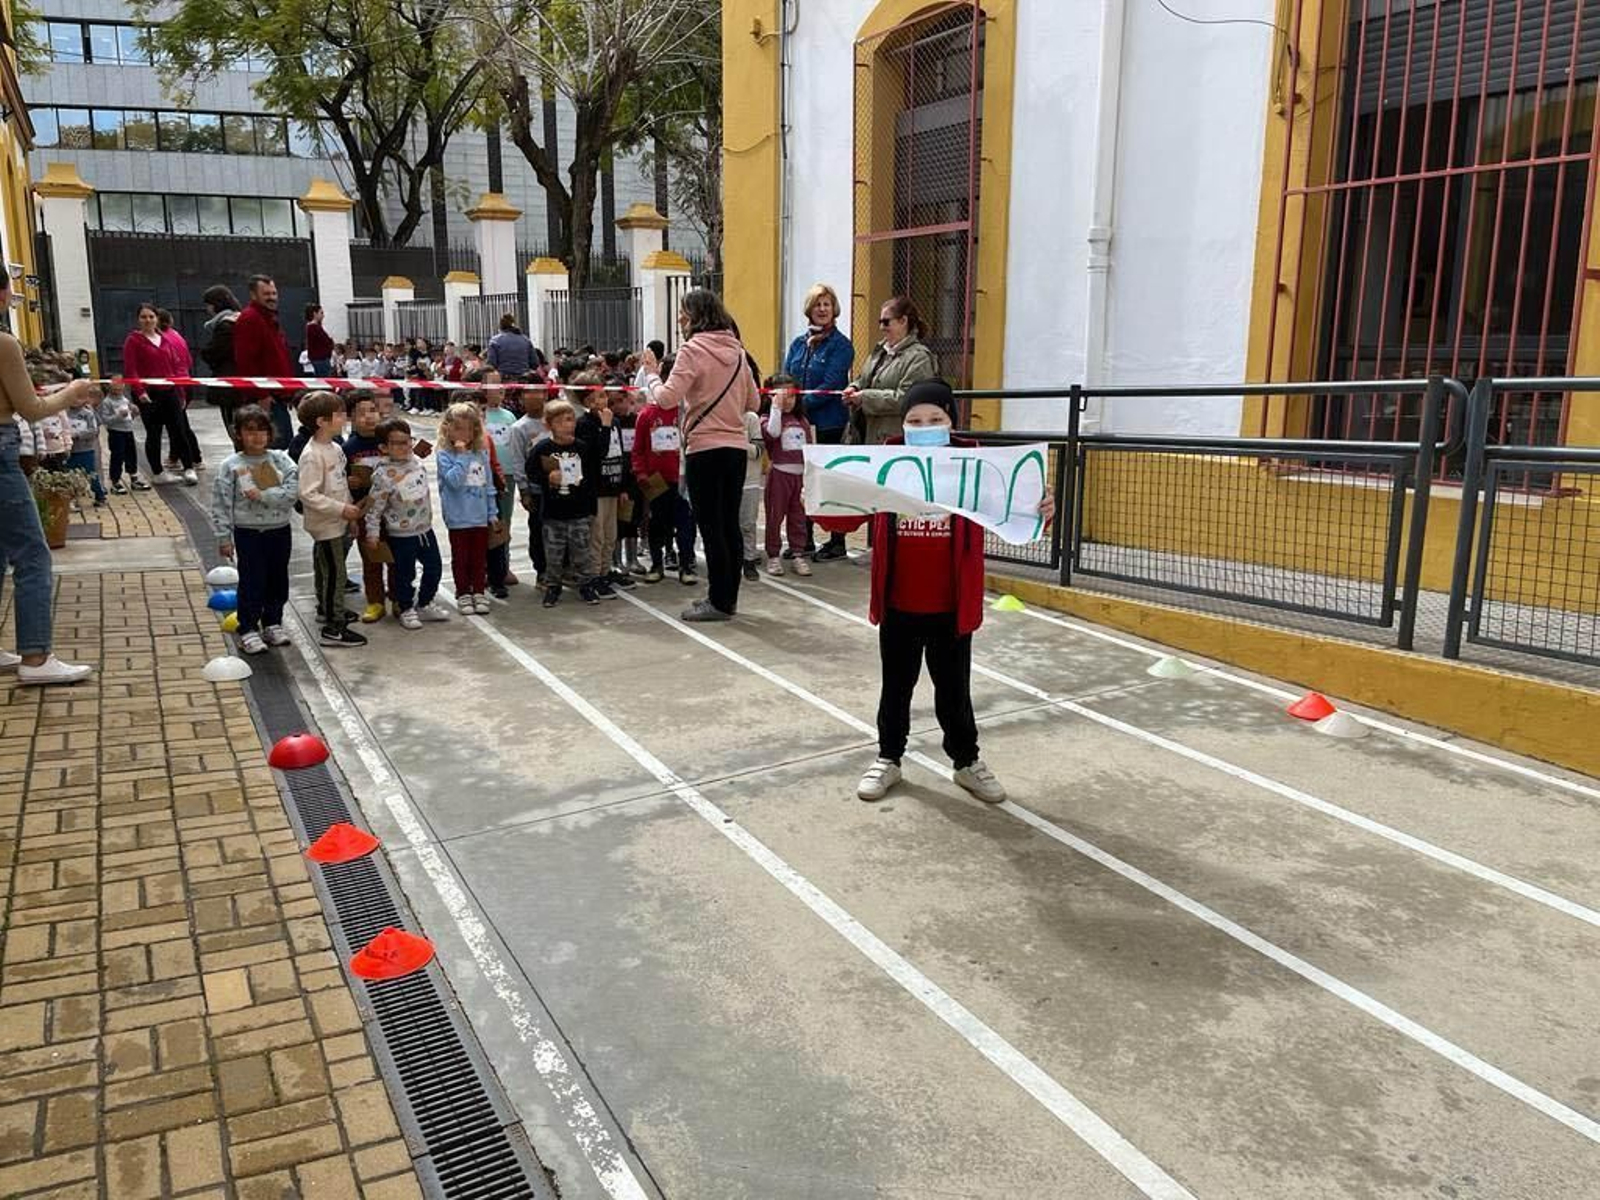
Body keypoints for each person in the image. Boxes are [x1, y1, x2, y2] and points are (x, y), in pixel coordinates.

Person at [816, 380, 1053, 806]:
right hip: (898, 603)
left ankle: (966, 762)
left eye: (935, 419)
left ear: (951, 422)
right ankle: (889, 757)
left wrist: (1040, 508)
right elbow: (840, 521)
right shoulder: (883, 465)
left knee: (954, 691)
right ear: (902, 425)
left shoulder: (976, 469)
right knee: (896, 687)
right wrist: (819, 495)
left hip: (951, 606)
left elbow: (1017, 513)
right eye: (914, 420)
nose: (924, 427)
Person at [0, 276, 101, 684]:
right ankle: (36, 657)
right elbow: (32, 407)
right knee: (33, 554)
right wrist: (72, 391)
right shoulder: (4, 343)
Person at [637, 290, 761, 621]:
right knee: (729, 526)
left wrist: (651, 373)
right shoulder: (737, 351)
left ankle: (718, 602)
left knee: (711, 527)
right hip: (735, 450)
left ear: (696, 317)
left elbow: (665, 398)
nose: (680, 319)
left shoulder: (692, 351)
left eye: (683, 313)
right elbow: (754, 403)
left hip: (704, 449)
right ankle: (727, 598)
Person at [211, 406, 298, 655]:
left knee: (277, 579)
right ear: (237, 434)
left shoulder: (280, 459)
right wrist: (223, 536)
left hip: (279, 530)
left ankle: (273, 622)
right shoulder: (231, 465)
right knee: (251, 581)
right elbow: (221, 502)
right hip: (248, 533)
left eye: (262, 430)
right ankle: (247, 628)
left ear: (270, 433)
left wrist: (263, 495)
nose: (257, 436)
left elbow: (292, 492)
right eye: (249, 431)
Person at [783, 284, 855, 560]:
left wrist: (799, 405)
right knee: (805, 483)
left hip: (828, 425)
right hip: (800, 425)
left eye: (827, 304)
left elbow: (831, 384)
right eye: (818, 304)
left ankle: (837, 542)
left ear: (834, 309)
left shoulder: (841, 345)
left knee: (829, 482)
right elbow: (789, 377)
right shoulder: (799, 344)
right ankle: (805, 540)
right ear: (809, 310)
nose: (822, 309)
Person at [365, 418, 450, 630]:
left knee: (434, 567)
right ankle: (405, 607)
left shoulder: (416, 463)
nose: (405, 447)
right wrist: (373, 532)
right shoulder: (383, 475)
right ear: (384, 447)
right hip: (401, 535)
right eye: (397, 443)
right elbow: (375, 508)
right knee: (405, 574)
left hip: (424, 529)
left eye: (407, 441)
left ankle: (425, 601)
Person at [297, 391, 366, 647]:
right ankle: (333, 627)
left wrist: (349, 515)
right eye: (338, 414)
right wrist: (341, 509)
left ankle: (329, 609)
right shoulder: (312, 455)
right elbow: (307, 494)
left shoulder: (335, 448)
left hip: (338, 521)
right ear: (321, 422)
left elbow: (340, 485)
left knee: (328, 569)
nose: (344, 417)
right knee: (335, 573)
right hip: (324, 524)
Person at [528, 397, 603, 607]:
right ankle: (553, 587)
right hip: (553, 513)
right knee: (553, 554)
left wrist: (591, 509)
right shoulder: (542, 448)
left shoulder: (582, 448)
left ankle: (586, 585)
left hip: (579, 512)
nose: (566, 425)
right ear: (548, 425)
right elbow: (531, 472)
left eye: (570, 420)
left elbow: (592, 478)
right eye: (560, 421)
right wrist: (547, 479)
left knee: (582, 552)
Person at [844, 294, 939, 448]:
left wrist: (865, 398)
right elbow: (863, 378)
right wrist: (854, 387)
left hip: (896, 439)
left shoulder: (919, 358)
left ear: (903, 321)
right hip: (868, 434)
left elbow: (907, 398)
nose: (881, 327)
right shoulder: (880, 351)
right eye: (880, 322)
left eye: (886, 322)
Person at [122, 303, 198, 485]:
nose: (148, 320)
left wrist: (181, 393)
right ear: (138, 320)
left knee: (179, 430)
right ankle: (157, 472)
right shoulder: (133, 341)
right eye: (143, 317)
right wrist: (140, 392)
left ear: (157, 319)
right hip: (148, 394)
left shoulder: (165, 339)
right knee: (154, 433)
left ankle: (189, 467)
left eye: (151, 316)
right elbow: (130, 370)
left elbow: (175, 367)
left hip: (170, 391)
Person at [437, 401, 500, 615]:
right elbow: (453, 482)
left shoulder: (481, 455)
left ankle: (479, 591)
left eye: (468, 428)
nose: (463, 433)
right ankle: (463, 592)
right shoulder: (444, 456)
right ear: (448, 429)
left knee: (478, 558)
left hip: (480, 517)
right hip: (458, 518)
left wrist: (492, 513)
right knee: (461, 558)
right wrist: (462, 455)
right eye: (457, 428)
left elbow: (489, 485)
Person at [574, 371, 632, 598]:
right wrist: (605, 427)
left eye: (603, 396)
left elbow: (621, 456)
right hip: (595, 489)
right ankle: (594, 576)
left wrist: (624, 486)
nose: (603, 401)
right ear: (587, 402)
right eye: (597, 397)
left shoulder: (615, 421)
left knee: (610, 534)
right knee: (596, 537)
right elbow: (596, 454)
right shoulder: (585, 424)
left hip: (613, 486)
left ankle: (605, 572)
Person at [232, 275, 297, 448]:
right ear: (253, 295)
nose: (272, 297)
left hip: (278, 394)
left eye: (274, 293)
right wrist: (261, 394)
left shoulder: (269, 318)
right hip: (267, 398)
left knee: (282, 447)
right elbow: (246, 360)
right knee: (275, 447)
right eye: (266, 293)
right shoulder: (250, 319)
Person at [341, 391, 389, 624]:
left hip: (393, 511)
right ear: (350, 418)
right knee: (371, 559)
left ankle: (400, 598)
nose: (369, 417)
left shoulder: (388, 440)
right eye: (361, 413)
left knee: (397, 557)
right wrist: (350, 483)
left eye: (373, 410)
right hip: (365, 511)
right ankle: (375, 601)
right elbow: (341, 486)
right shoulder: (348, 448)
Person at [761, 375, 812, 576]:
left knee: (798, 517)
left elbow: (809, 447)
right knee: (775, 517)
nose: (787, 401)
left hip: (799, 477)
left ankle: (798, 554)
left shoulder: (802, 421)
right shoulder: (768, 418)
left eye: (791, 396)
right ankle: (773, 555)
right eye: (782, 396)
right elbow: (772, 433)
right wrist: (776, 407)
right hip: (779, 475)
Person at [504, 387, 547, 585]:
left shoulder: (554, 421)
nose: (534, 397)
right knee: (538, 531)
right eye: (528, 394)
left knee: (561, 529)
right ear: (521, 399)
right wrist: (524, 489)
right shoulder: (519, 428)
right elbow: (518, 461)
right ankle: (542, 571)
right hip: (536, 489)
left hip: (561, 486)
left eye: (538, 392)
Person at [157, 308, 203, 470]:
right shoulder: (177, 335)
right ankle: (179, 456)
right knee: (179, 422)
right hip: (186, 381)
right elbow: (189, 361)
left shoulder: (162, 339)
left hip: (175, 385)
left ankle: (193, 457)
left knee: (178, 425)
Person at [200, 285, 242, 439]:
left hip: (229, 386)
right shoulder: (240, 319)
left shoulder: (225, 326)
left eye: (208, 305)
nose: (207, 309)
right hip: (242, 383)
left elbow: (213, 353)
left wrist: (205, 353)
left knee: (233, 427)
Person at [100, 378, 145, 493]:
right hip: (116, 432)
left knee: (131, 455)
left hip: (128, 430)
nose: (118, 391)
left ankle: (134, 478)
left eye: (120, 388)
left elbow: (129, 415)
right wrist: (118, 416)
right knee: (117, 456)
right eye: (115, 389)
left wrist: (134, 412)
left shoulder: (124, 399)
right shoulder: (107, 402)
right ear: (109, 388)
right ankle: (115, 481)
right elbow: (105, 420)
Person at [65, 392, 106, 506]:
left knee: (91, 473)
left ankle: (99, 495)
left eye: (79, 398)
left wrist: (78, 435)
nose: (75, 401)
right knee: (70, 474)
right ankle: (73, 498)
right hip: (70, 450)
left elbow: (94, 431)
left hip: (86, 450)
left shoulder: (88, 414)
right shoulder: (64, 414)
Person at [486, 314, 534, 380]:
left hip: (503, 378)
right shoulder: (526, 340)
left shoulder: (495, 341)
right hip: (523, 378)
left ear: (500, 326)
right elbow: (534, 363)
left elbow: (491, 364)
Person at [304, 304, 334, 378]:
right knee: (324, 380)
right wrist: (330, 342)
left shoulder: (315, 327)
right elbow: (325, 341)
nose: (323, 316)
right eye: (321, 313)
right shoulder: (314, 328)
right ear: (315, 313)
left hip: (321, 358)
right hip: (320, 359)